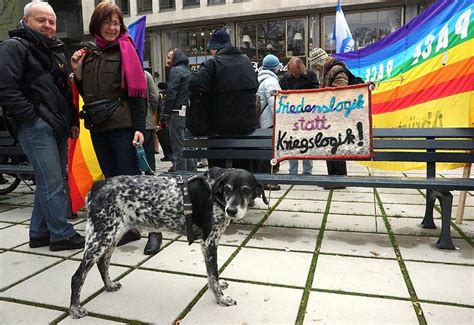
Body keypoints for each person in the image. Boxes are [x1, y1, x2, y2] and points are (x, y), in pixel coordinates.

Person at [70, 1, 161, 254]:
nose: (112, 27)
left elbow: (139, 94)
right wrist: (77, 73)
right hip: (99, 129)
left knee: (134, 182)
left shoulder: (126, 50)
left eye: (116, 22)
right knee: (113, 182)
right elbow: (85, 93)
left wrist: (139, 128)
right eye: (107, 22)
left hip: (124, 127)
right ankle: (130, 228)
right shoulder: (87, 55)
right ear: (96, 25)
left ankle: (155, 229)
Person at [0, 2, 84, 251]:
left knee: (50, 180)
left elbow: (64, 93)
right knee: (53, 182)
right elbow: (5, 89)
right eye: (41, 20)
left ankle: (39, 233)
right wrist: (32, 118)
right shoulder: (13, 47)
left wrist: (71, 121)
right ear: (26, 22)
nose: (48, 26)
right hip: (35, 126)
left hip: (55, 126)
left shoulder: (55, 51)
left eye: (51, 21)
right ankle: (61, 234)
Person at [189, 28, 259, 171]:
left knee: (218, 173)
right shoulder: (247, 63)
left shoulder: (213, 64)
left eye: (211, 50)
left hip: (219, 129)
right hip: (247, 128)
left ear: (215, 48)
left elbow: (194, 84)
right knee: (242, 171)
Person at [308, 47, 348, 189]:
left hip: (336, 116)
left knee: (335, 147)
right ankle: (333, 177)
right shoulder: (329, 70)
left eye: (316, 66)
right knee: (329, 147)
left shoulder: (337, 70)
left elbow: (341, 93)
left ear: (321, 61)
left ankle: (339, 179)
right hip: (330, 116)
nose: (316, 69)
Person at [279, 57, 319, 175]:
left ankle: (307, 171)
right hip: (291, 115)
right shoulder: (286, 78)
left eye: (295, 71)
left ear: (301, 68)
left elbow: (316, 92)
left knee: (307, 142)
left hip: (307, 115)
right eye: (291, 71)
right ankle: (293, 171)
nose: (293, 73)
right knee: (292, 143)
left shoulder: (310, 76)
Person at [161, 48, 196, 172]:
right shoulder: (188, 71)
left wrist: (166, 112)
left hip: (176, 113)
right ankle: (192, 174)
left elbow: (171, 93)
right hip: (187, 112)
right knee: (187, 146)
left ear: (175, 58)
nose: (167, 61)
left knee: (178, 147)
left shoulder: (175, 71)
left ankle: (181, 175)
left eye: (169, 58)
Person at [257, 54, 281, 191]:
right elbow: (275, 104)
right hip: (268, 122)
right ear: (275, 68)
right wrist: (280, 121)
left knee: (263, 152)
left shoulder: (260, 78)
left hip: (260, 122)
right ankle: (266, 181)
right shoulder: (271, 81)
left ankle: (263, 179)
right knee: (268, 152)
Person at [144, 70, 159, 173]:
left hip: (125, 123)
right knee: (148, 154)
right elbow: (155, 97)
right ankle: (150, 177)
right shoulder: (145, 74)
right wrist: (151, 111)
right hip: (146, 121)